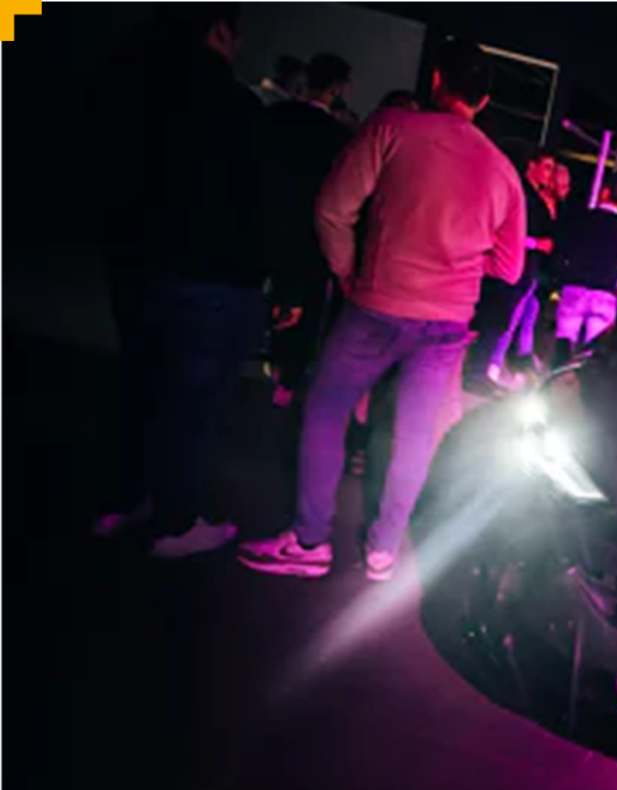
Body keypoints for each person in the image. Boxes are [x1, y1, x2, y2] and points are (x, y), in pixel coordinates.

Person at [239, 39, 526, 583]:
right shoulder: (502, 171)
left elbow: (332, 209)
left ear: (436, 80)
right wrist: (460, 259)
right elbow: (509, 268)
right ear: (485, 101)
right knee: (415, 435)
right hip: (448, 322)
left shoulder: (393, 127)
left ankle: (309, 540)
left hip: (376, 303)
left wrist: (347, 270)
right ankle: (383, 551)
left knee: (325, 409)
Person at [92, 1, 267, 559]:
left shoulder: (134, 89)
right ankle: (176, 521)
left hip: (139, 266)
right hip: (212, 278)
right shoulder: (237, 106)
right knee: (192, 409)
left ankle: (122, 501)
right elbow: (254, 202)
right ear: (219, 31)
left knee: (139, 392)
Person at [264, 52, 355, 408]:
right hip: (312, 232)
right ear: (338, 88)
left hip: (271, 219)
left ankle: (270, 362)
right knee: (308, 307)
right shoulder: (338, 137)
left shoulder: (277, 117)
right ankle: (287, 378)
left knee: (271, 292)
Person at [483, 147, 560, 391]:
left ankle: (508, 365)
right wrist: (537, 243)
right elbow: (513, 234)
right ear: (531, 166)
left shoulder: (537, 199)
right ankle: (491, 366)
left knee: (523, 319)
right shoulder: (523, 196)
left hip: (531, 271)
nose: (549, 175)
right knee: (508, 320)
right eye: (546, 167)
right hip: (519, 267)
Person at [550, 175, 617, 366]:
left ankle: (556, 378)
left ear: (604, 192)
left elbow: (559, 251)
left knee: (563, 345)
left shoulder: (580, 220)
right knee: (592, 355)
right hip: (604, 295)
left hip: (574, 289)